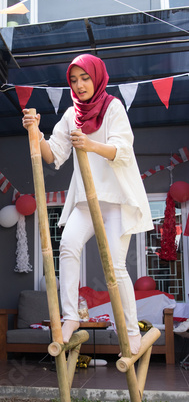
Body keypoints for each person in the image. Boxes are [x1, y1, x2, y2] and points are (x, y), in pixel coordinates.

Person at [22, 54, 153, 355]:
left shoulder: (113, 107)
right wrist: (35, 131)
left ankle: (131, 332)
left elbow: (122, 149)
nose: (80, 85)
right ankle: (70, 317)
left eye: (85, 78)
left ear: (97, 77)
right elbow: (53, 154)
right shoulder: (71, 115)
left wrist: (90, 144)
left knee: (115, 267)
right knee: (67, 246)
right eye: (74, 80)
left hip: (116, 200)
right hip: (84, 201)